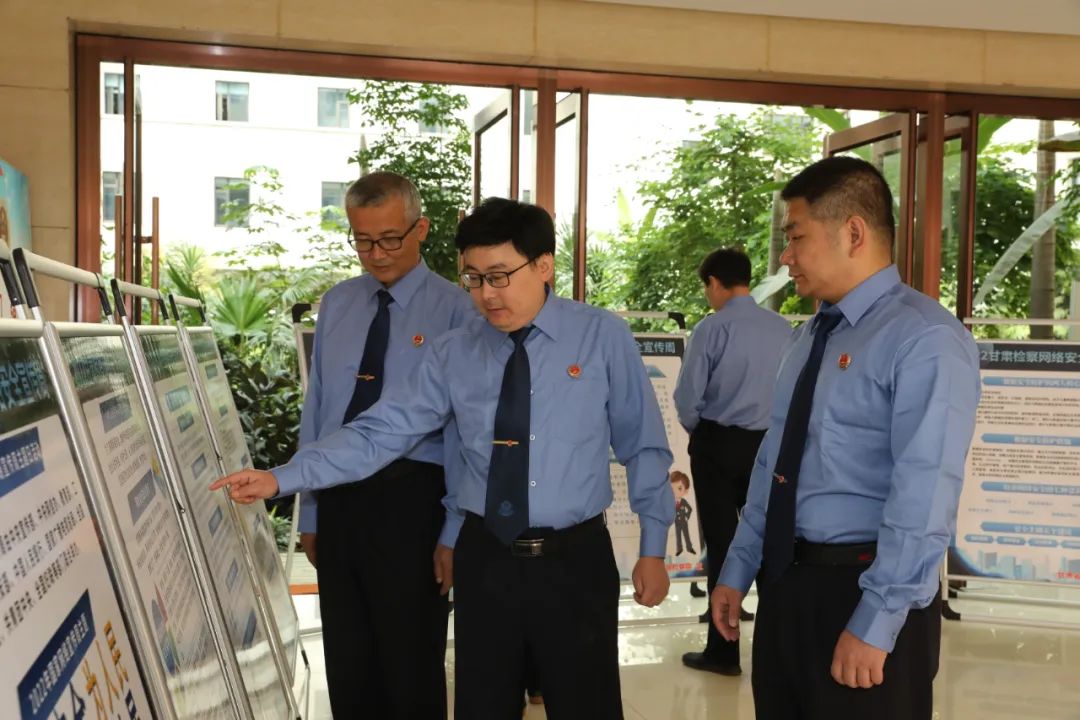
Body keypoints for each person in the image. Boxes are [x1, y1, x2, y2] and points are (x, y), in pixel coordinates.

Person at [213, 197, 675, 720]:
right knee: (481, 706)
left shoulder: (601, 336)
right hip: (486, 559)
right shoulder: (455, 351)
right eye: (473, 279)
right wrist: (282, 478)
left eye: (499, 276)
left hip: (575, 560)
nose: (486, 295)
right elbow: (380, 432)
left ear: (544, 266)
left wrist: (653, 547)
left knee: (587, 705)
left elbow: (643, 445)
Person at [711, 156, 980, 720]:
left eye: (796, 237)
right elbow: (773, 463)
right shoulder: (808, 337)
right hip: (788, 586)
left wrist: (876, 622)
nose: (785, 257)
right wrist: (739, 567)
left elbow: (924, 494)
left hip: (867, 594)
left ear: (853, 232)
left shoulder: (924, 339)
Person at [294, 171, 475, 719]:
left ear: (421, 229)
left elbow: (466, 433)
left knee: (410, 663)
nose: (375, 254)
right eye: (362, 240)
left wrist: (453, 529)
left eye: (390, 239)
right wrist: (310, 511)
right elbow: (318, 407)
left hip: (413, 502)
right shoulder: (338, 304)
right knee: (348, 659)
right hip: (339, 496)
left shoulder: (458, 309)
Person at [673, 246, 792, 676]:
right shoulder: (783, 328)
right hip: (771, 446)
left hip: (719, 445)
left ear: (714, 283)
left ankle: (723, 653)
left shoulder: (712, 328)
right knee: (771, 541)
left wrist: (703, 432)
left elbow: (688, 397)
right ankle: (779, 651)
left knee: (724, 544)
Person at [669, 470, 695, 556]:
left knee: (686, 535)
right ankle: (679, 549)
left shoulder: (683, 501)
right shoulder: (671, 503)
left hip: (684, 521)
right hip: (677, 522)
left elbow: (690, 509)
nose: (675, 492)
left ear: (686, 491)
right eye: (672, 489)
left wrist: (687, 516)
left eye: (679, 488)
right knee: (678, 536)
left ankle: (689, 548)